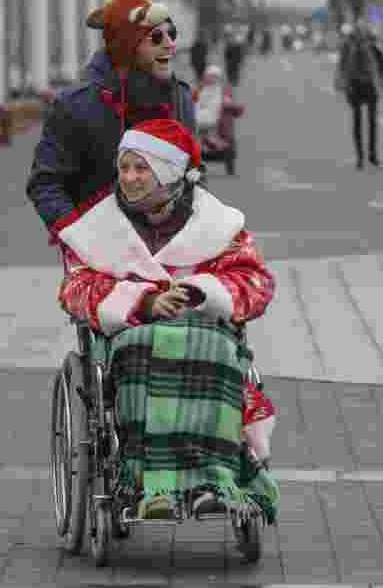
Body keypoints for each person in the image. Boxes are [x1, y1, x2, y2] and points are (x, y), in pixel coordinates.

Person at [54, 117, 280, 523]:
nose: (129, 178)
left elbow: (255, 281)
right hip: (131, 336)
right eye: (124, 167)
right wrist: (144, 302)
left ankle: (212, 480)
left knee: (212, 348)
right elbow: (76, 288)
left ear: (170, 174)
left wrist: (199, 293)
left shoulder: (217, 224)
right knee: (142, 347)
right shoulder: (98, 227)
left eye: (141, 168)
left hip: (203, 329)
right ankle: (150, 484)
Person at [26, 0, 196, 239]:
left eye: (172, 34)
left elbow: (193, 171)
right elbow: (46, 183)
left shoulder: (180, 96)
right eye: (157, 37)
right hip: (99, 251)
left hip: (172, 248)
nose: (170, 44)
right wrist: (79, 237)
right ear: (127, 46)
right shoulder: (76, 105)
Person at [337, 22, 383, 169]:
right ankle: (364, 156)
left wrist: (380, 84)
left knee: (368, 122)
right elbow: (342, 67)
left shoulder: (369, 46)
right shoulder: (349, 46)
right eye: (359, 34)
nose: (361, 37)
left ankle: (368, 156)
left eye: (362, 34)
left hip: (364, 86)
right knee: (362, 121)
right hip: (357, 86)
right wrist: (343, 84)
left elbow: (380, 66)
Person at [193, 65, 245, 174]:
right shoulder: (198, 90)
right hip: (199, 121)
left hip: (218, 123)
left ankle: (215, 144)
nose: (212, 79)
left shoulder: (224, 92)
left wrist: (230, 104)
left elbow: (237, 109)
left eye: (215, 77)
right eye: (210, 76)